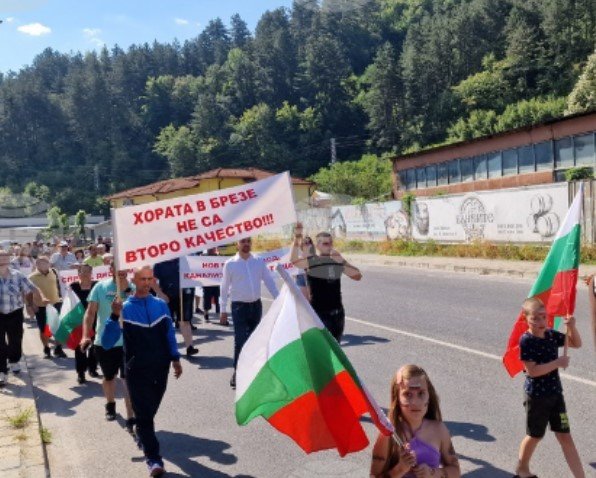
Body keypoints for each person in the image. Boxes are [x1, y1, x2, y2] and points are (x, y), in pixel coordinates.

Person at [113, 266, 182, 477]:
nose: (146, 282)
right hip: (136, 369)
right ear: (133, 280)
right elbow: (108, 339)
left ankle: (144, 432)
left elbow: (169, 334)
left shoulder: (161, 305)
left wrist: (175, 358)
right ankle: (153, 459)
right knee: (144, 415)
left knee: (150, 409)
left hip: (160, 366)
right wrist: (114, 317)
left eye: (149, 279)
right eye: (142, 279)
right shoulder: (124, 308)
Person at [514, 297, 584, 478]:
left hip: (555, 394)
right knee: (535, 435)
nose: (541, 322)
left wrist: (572, 326)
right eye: (535, 318)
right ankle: (522, 468)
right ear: (525, 318)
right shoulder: (526, 341)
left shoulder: (552, 335)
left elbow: (576, 343)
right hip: (537, 396)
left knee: (565, 436)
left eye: (543, 317)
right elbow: (533, 371)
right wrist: (557, 363)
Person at [370, 364, 460, 478]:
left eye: (421, 393)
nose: (415, 402)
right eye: (408, 394)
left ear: (429, 395)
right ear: (397, 398)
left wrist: (433, 473)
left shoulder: (439, 430)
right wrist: (399, 469)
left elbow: (455, 471)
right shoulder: (388, 435)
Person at [79, 262, 135, 426]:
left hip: (128, 342)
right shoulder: (100, 287)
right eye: (116, 268)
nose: (120, 271)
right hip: (105, 342)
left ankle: (131, 416)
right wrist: (85, 335)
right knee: (109, 377)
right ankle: (110, 405)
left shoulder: (134, 288)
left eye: (123, 268)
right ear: (110, 270)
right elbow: (90, 313)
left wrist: (127, 290)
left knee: (127, 379)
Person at [220, 237, 279, 389]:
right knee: (240, 341)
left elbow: (269, 281)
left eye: (248, 241)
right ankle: (237, 372)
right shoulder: (230, 264)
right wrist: (223, 310)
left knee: (255, 340)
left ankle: (253, 373)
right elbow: (224, 288)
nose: (246, 244)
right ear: (237, 244)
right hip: (239, 307)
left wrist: (278, 300)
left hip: (256, 306)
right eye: (243, 241)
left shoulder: (258, 261)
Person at [291, 223, 362, 342]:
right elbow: (294, 261)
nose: (329, 246)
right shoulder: (312, 262)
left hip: (338, 314)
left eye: (330, 243)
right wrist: (297, 237)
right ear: (317, 246)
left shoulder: (336, 260)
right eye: (325, 243)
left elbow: (357, 276)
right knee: (325, 351)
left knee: (337, 348)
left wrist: (342, 261)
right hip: (320, 314)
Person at [0, 250, 44, 385]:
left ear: (9, 259)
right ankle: (2, 371)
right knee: (0, 344)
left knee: (15, 339)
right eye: (1, 257)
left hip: (15, 313)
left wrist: (42, 298)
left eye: (5, 257)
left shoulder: (17, 275)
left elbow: (32, 288)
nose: (3, 260)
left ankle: (14, 361)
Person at [153, 258, 199, 356]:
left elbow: (190, 275)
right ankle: (165, 348)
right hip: (166, 297)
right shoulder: (159, 264)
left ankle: (189, 347)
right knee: (165, 323)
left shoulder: (182, 261)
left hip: (182, 296)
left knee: (184, 321)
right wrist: (161, 294)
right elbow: (152, 281)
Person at [27, 256, 67, 358]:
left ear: (49, 264)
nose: (44, 264)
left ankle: (58, 349)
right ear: (37, 265)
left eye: (46, 262)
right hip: (40, 306)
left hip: (56, 303)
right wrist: (30, 305)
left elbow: (63, 285)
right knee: (44, 329)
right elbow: (27, 293)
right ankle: (46, 348)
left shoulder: (54, 272)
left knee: (58, 328)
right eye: (41, 263)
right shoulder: (31, 277)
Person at [70, 264, 99, 384]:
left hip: (95, 318)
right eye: (83, 271)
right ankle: (81, 373)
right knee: (80, 347)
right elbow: (69, 303)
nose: (85, 274)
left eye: (88, 271)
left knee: (94, 346)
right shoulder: (73, 286)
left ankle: (92, 368)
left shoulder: (97, 285)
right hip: (78, 321)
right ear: (78, 274)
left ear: (91, 273)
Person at [292, 234, 315, 300]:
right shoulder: (298, 254)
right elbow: (293, 269)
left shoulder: (313, 255)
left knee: (313, 301)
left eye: (308, 242)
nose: (307, 244)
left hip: (311, 278)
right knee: (305, 302)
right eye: (305, 243)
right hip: (300, 278)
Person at [201, 248, 221, 323]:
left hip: (216, 282)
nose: (211, 250)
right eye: (210, 249)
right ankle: (206, 315)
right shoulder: (203, 256)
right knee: (206, 299)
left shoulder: (217, 256)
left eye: (213, 249)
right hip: (207, 282)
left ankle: (219, 314)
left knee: (218, 299)